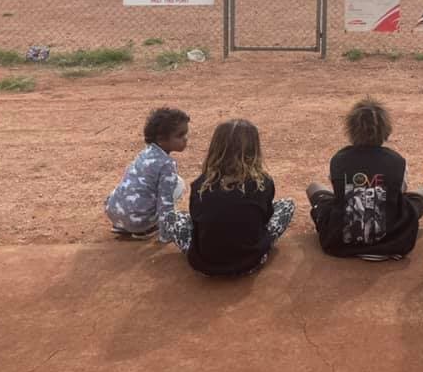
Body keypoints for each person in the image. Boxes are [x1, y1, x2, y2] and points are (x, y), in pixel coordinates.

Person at [162, 119, 295, 275]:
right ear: (254, 149)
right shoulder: (263, 182)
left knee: (175, 217)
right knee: (287, 204)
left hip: (205, 264)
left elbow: (195, 221)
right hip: (251, 262)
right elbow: (265, 219)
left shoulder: (201, 184)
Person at [306, 98, 423, 260]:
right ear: (386, 130)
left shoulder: (339, 159)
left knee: (314, 187)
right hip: (392, 240)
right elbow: (399, 193)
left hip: (340, 241)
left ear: (351, 130)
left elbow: (339, 193)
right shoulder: (397, 160)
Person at [105, 107, 189, 241]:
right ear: (161, 139)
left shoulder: (146, 152)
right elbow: (165, 203)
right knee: (178, 185)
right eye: (180, 135)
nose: (186, 139)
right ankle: (144, 229)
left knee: (134, 186)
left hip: (113, 212)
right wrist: (166, 235)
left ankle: (123, 225)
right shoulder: (167, 164)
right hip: (137, 222)